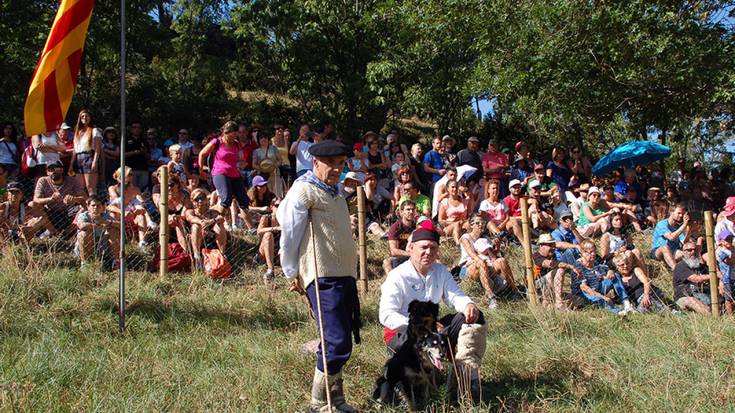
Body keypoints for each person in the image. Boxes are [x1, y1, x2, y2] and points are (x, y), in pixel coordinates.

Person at [277, 140, 359, 413]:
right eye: (331, 163)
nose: (337, 168)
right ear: (316, 163)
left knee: (341, 339)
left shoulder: (333, 191)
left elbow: (340, 189)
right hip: (323, 275)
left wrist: (347, 186)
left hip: (344, 274)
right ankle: (318, 403)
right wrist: (292, 271)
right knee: (336, 341)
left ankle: (335, 400)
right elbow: (289, 232)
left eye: (340, 163)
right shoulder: (303, 190)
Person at [379, 220, 487, 401]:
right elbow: (386, 315)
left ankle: (467, 377)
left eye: (433, 248)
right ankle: (399, 380)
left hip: (433, 331)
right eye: (424, 247)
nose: (428, 252)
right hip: (402, 333)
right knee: (419, 393)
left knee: (474, 318)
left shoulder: (440, 271)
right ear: (411, 248)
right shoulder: (397, 276)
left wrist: (468, 305)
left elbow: (455, 296)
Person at [199, 121, 254, 233]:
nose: (235, 136)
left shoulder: (236, 144)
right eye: (233, 134)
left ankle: (252, 229)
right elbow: (202, 154)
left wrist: (242, 163)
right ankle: (212, 220)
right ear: (226, 133)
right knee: (226, 199)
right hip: (220, 173)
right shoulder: (217, 142)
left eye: (236, 134)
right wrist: (201, 170)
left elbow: (238, 159)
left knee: (243, 201)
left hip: (234, 173)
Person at [458, 215, 518, 309]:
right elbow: (472, 254)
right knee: (480, 262)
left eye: (483, 223)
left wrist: (497, 246)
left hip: (486, 265)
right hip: (468, 267)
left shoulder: (485, 238)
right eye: (478, 223)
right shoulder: (465, 237)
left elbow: (493, 255)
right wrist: (484, 260)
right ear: (471, 225)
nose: (481, 225)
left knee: (501, 261)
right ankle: (490, 296)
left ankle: (513, 290)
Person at [571, 240, 635, 314]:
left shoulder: (595, 261)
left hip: (597, 287)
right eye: (590, 252)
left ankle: (627, 304)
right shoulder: (578, 266)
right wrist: (602, 296)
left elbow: (605, 269)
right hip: (584, 293)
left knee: (615, 276)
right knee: (601, 300)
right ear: (582, 252)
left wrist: (610, 271)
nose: (594, 254)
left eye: (594, 251)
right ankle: (618, 312)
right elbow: (584, 288)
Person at [32, 160, 86, 236]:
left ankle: (70, 229)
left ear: (62, 170)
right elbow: (36, 199)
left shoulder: (72, 180)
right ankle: (53, 231)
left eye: (55, 168)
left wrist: (74, 199)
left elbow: (85, 198)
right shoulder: (43, 180)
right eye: (50, 169)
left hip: (68, 211)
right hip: (50, 211)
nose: (53, 171)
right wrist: (50, 199)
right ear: (47, 172)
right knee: (33, 204)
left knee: (86, 205)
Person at [107, 166, 151, 248]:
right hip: (119, 213)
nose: (132, 176)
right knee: (112, 214)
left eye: (132, 174)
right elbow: (116, 201)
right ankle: (114, 244)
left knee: (141, 214)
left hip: (131, 213)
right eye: (129, 174)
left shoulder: (135, 188)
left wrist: (139, 206)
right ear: (122, 176)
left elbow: (140, 201)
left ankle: (142, 243)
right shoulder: (113, 188)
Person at [184, 188, 227, 272]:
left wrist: (211, 221)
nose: (200, 201)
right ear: (192, 201)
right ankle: (197, 258)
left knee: (219, 226)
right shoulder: (190, 211)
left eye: (202, 198)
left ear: (206, 199)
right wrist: (202, 222)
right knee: (195, 227)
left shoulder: (212, 212)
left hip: (212, 240)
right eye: (197, 199)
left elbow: (221, 218)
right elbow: (191, 218)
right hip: (198, 241)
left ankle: (222, 255)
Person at [533, 234, 579, 310]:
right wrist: (571, 266)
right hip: (536, 288)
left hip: (550, 287)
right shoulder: (536, 256)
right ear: (541, 246)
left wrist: (576, 246)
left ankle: (553, 303)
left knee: (579, 299)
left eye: (553, 245)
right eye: (550, 245)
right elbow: (551, 264)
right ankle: (558, 303)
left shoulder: (551, 255)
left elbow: (561, 244)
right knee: (560, 269)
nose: (553, 247)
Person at [75, 196, 120, 268]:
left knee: (114, 230)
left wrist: (107, 222)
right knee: (83, 233)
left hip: (102, 246)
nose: (95, 207)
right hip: (86, 246)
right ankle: (85, 264)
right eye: (93, 205)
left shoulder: (105, 216)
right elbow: (81, 225)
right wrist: (98, 225)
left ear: (103, 207)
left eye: (98, 205)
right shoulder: (84, 215)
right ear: (88, 207)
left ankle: (116, 262)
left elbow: (120, 225)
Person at [651, 204, 697, 270]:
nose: (681, 216)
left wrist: (689, 229)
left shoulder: (678, 227)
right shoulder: (662, 224)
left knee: (687, 253)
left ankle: (695, 271)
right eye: (679, 213)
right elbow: (671, 237)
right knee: (665, 247)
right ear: (671, 212)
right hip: (658, 251)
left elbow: (685, 242)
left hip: (674, 251)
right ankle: (676, 271)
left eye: (682, 214)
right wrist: (684, 225)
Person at [672, 240, 712, 314]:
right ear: (683, 252)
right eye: (689, 250)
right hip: (684, 298)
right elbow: (696, 279)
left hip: (702, 295)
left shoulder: (701, 266)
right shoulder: (681, 266)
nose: (693, 252)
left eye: (695, 249)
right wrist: (713, 275)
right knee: (692, 301)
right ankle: (711, 318)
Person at [382, 200, 416, 275]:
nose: (411, 212)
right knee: (387, 262)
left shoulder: (417, 226)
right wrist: (411, 254)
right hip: (400, 258)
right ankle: (392, 282)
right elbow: (394, 251)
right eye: (408, 209)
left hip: (415, 257)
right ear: (402, 212)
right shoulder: (396, 227)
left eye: (413, 209)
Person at [257, 197, 282, 284]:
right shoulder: (266, 217)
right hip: (264, 250)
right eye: (277, 205)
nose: (279, 208)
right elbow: (259, 231)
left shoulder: (285, 219)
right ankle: (270, 270)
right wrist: (275, 228)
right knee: (268, 235)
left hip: (278, 250)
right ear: (271, 206)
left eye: (282, 205)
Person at [125, 121, 149, 191]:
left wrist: (144, 152)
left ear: (141, 130)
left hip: (143, 169)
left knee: (143, 189)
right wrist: (134, 152)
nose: (136, 129)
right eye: (134, 127)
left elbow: (149, 156)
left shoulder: (144, 141)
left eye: (139, 127)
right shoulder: (126, 140)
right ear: (131, 129)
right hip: (130, 169)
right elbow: (121, 155)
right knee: (131, 189)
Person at [716, 230, 735, 314]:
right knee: (729, 298)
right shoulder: (720, 251)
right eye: (726, 239)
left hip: (733, 276)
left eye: (730, 239)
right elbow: (729, 261)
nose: (729, 241)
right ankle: (730, 317)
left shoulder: (732, 249)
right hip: (727, 278)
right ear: (721, 241)